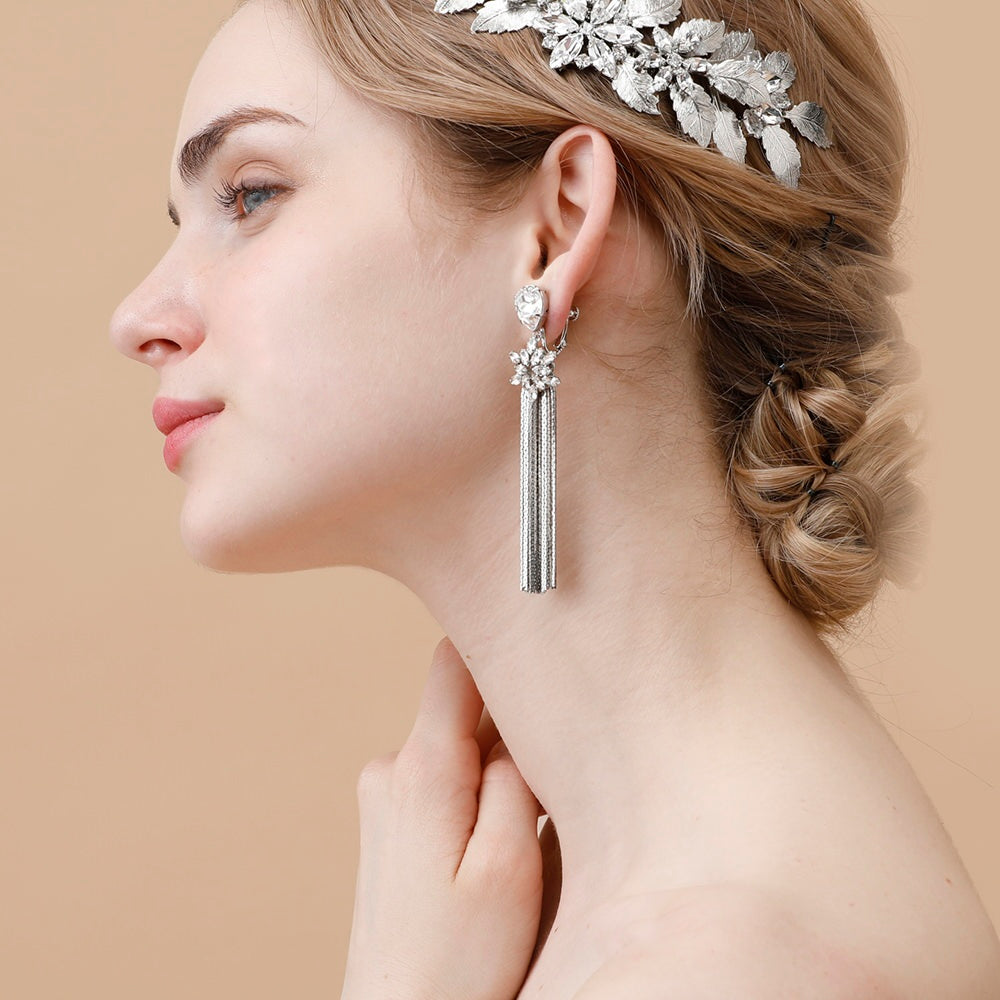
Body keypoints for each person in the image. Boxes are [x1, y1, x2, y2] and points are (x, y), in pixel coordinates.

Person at [108, 0, 1000, 995]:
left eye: (250, 195)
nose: (138, 318)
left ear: (559, 225)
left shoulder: (727, 966)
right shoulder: (675, 902)